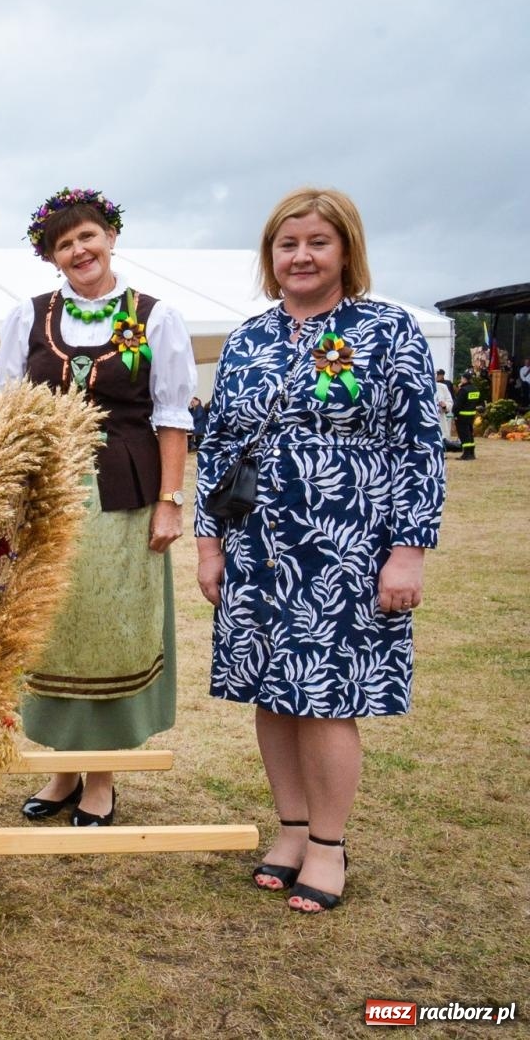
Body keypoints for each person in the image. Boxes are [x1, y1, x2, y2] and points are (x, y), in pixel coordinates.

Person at [196, 187, 444, 914]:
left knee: (328, 697)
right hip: (258, 545)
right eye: (286, 244)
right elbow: (219, 447)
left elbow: (419, 447)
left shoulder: (387, 330)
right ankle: (292, 830)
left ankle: (329, 847)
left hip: (345, 547)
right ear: (270, 257)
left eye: (317, 243)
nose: (300, 256)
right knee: (272, 693)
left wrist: (409, 551)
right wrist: (210, 546)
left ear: (346, 251)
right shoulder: (247, 337)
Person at [0, 188, 197, 827]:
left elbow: (171, 416)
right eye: (64, 244)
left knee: (109, 629)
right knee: (50, 624)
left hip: (124, 494)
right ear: (51, 258)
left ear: (111, 238)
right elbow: (7, 410)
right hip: (46, 495)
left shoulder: (155, 317)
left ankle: (101, 778)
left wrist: (169, 501)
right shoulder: (27, 317)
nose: (79, 250)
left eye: (88, 236)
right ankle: (61, 772)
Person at [455, 369, 483, 460]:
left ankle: (466, 454)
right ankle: (472, 453)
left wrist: (454, 413)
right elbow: (479, 403)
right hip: (471, 415)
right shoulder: (475, 389)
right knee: (470, 434)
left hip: (462, 416)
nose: (460, 380)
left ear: (465, 379)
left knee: (463, 434)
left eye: (461, 378)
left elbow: (458, 404)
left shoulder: (463, 390)